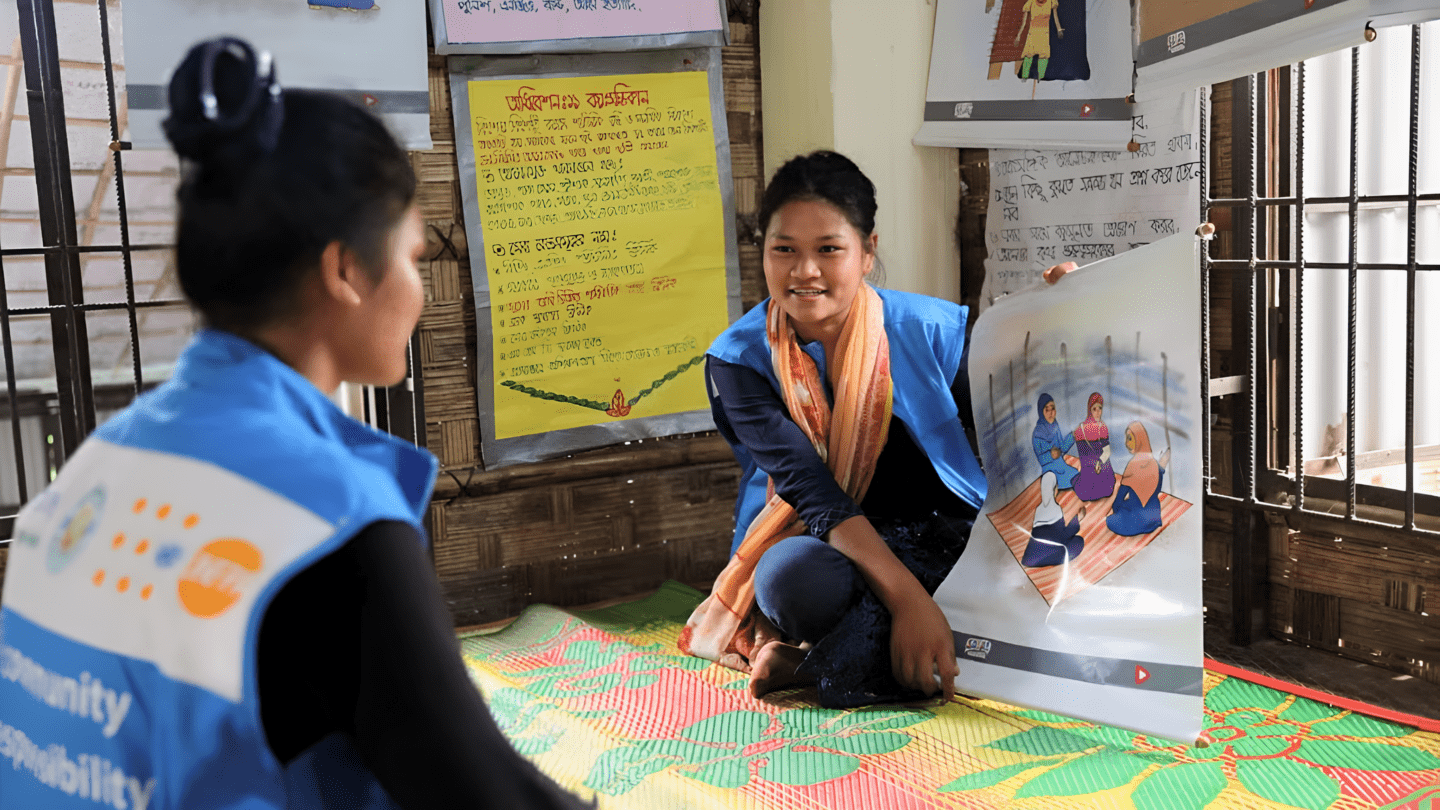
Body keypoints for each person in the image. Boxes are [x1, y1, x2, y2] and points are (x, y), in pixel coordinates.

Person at [0, 39, 589, 810]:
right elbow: (485, 794)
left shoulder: (89, 474)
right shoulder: (325, 518)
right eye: (412, 257)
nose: (420, 290)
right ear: (345, 269)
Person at [678, 150, 1075, 708]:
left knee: (1026, 571)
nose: (804, 271)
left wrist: (1065, 312)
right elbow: (815, 496)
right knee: (787, 580)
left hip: (949, 535)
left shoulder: (932, 329)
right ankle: (918, 638)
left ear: (867, 253)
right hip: (833, 541)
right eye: (784, 249)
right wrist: (911, 603)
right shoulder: (740, 360)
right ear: (762, 252)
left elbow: (1019, 411)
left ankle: (813, 664)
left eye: (829, 250)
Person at [1106, 421, 1171, 537]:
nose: (1127, 443)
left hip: (1136, 521)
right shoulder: (1154, 464)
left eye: (1130, 439)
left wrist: (1116, 509)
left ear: (1139, 439)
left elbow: (1120, 497)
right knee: (1130, 504)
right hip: (1154, 518)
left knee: (1111, 520)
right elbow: (1156, 489)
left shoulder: (1133, 466)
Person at [1022, 471, 1085, 567]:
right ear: (1055, 489)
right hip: (1040, 554)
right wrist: (1078, 519)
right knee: (1078, 542)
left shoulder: (1039, 509)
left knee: (1068, 542)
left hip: (1031, 558)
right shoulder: (1055, 509)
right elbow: (1062, 535)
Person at [1072, 392, 1116, 501]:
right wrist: (1099, 462)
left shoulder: (1079, 430)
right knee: (1106, 489)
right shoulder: (1101, 428)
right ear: (1089, 410)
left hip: (1092, 471)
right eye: (1094, 409)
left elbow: (1084, 457)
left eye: (1099, 408)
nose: (1097, 412)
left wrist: (1097, 462)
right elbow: (1106, 452)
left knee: (1086, 491)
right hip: (1099, 470)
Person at [1032, 392, 1079, 489]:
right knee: (1069, 482)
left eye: (1052, 408)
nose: (1051, 412)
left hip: (1061, 465)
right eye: (1047, 409)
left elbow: (1062, 448)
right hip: (1049, 470)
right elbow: (1041, 459)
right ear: (1041, 411)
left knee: (1076, 474)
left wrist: (1073, 436)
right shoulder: (1038, 433)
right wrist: (1052, 455)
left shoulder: (1055, 426)